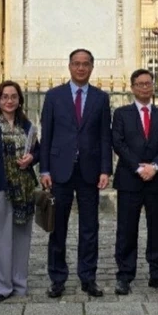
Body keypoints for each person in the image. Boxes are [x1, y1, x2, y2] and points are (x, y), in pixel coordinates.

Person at [39, 49, 112, 298]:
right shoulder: (53, 96)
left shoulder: (101, 98)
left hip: (89, 171)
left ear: (92, 67)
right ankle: (57, 278)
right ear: (69, 66)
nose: (80, 68)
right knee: (57, 227)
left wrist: (105, 169)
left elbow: (105, 136)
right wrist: (45, 169)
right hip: (60, 171)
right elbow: (46, 135)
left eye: (85, 64)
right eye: (76, 64)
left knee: (89, 228)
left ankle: (88, 277)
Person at [111, 69, 158, 295]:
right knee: (126, 229)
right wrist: (138, 167)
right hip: (130, 179)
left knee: (157, 229)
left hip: (157, 180)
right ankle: (125, 274)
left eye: (148, 83)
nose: (144, 87)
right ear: (132, 87)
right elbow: (118, 143)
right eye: (140, 84)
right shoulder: (121, 114)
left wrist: (155, 166)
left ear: (153, 86)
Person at [0, 80, 40, 302]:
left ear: (19, 100)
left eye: (13, 97)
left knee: (21, 238)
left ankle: (18, 282)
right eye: (5, 97)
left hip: (24, 189)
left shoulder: (26, 124)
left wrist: (32, 158)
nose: (9, 101)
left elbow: (37, 149)